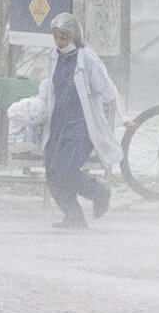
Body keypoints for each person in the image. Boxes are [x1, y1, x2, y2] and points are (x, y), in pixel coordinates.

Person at [35, 12, 132, 230]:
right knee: (53, 172)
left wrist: (125, 117)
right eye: (56, 37)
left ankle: (99, 193)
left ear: (74, 36)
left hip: (81, 126)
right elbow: (49, 85)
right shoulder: (54, 56)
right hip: (58, 124)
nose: (59, 42)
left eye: (64, 38)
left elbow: (109, 89)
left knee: (67, 170)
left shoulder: (87, 59)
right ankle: (73, 216)